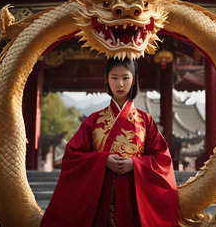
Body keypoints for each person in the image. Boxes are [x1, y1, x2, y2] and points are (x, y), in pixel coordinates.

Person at [40, 57, 180, 227]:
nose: (120, 84)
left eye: (125, 78)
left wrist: (135, 164)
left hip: (134, 199)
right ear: (106, 79)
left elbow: (162, 159)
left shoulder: (146, 121)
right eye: (114, 78)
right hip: (100, 198)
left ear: (134, 80)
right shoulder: (93, 121)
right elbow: (72, 156)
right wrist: (102, 160)